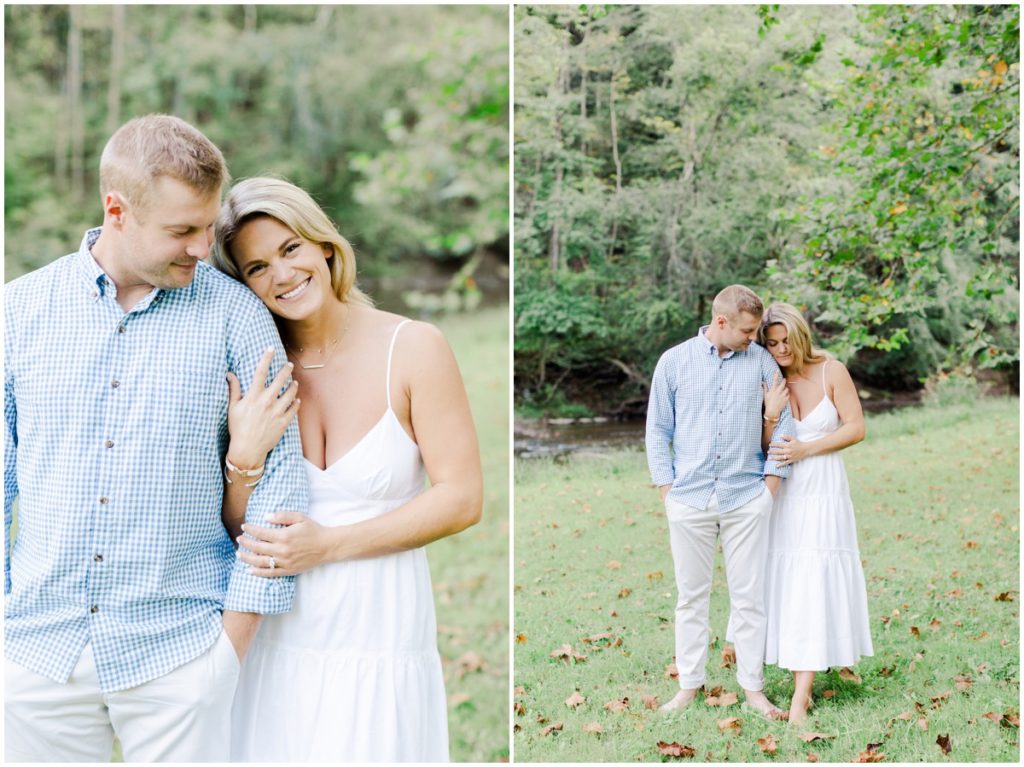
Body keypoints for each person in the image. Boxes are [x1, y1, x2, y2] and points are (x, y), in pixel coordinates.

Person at [3, 115, 308, 762]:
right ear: (117, 210)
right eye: (183, 230)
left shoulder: (237, 314)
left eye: (208, 226)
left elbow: (281, 488)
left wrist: (228, 652)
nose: (204, 247)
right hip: (34, 656)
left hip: (181, 655)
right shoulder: (18, 314)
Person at [210, 177, 484, 762]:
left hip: (377, 630)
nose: (281, 276)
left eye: (290, 250)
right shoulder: (253, 368)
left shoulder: (413, 348)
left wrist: (327, 547)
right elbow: (236, 527)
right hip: (275, 631)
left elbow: (462, 498)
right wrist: (245, 459)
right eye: (257, 268)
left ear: (325, 247)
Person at [645, 285, 795, 720]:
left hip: (746, 496)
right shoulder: (674, 361)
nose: (756, 337)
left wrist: (770, 486)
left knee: (749, 598)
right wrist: (667, 492)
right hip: (688, 499)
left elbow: (783, 423)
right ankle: (689, 686)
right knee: (690, 597)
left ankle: (753, 689)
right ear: (722, 322)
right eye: (748, 331)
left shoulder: (763, 362)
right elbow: (658, 430)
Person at [756, 302, 873, 724]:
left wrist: (807, 448)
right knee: (791, 580)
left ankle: (801, 695)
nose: (781, 350)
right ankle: (799, 670)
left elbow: (855, 427)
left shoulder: (831, 371)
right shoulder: (770, 378)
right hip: (785, 491)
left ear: (801, 335)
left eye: (787, 341)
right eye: (772, 343)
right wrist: (771, 414)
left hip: (823, 488)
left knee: (816, 576)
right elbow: (767, 446)